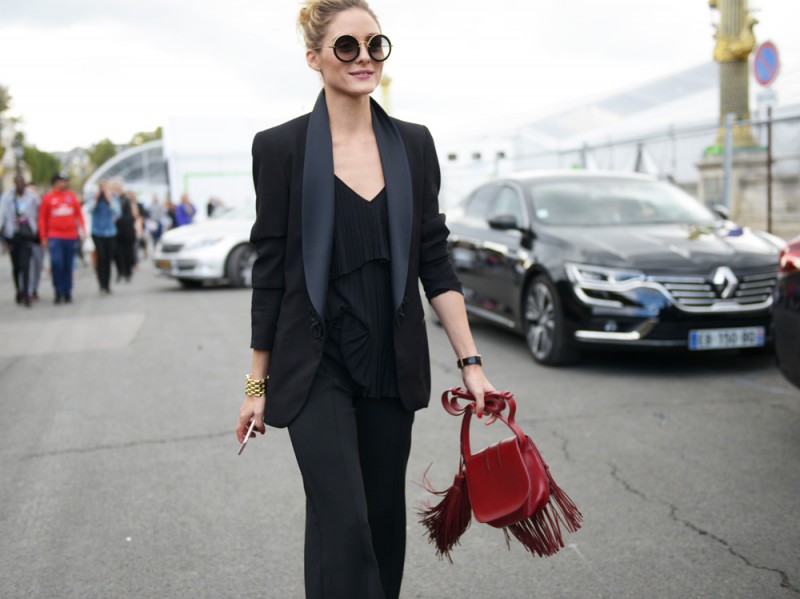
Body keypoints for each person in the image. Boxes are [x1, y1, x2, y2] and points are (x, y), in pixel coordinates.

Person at [235, 2, 494, 598]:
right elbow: (269, 274)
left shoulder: (413, 145)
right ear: (314, 57)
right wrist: (255, 387)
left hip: (388, 360)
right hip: (314, 365)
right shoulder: (280, 149)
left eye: (375, 45)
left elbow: (435, 259)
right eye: (346, 46)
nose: (363, 58)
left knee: (379, 525)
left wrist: (471, 364)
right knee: (344, 521)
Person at [39, 172, 85, 304]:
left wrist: (82, 229)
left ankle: (67, 291)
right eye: (62, 181)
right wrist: (43, 236)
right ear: (56, 182)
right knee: (57, 263)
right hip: (55, 236)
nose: (65, 183)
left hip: (70, 235)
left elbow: (78, 214)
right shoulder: (48, 198)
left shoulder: (71, 196)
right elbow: (42, 219)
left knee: (68, 264)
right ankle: (58, 291)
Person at [0, 175, 41, 306]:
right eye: (18, 183)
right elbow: (2, 215)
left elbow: (40, 211)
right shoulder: (7, 197)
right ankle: (19, 289)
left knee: (26, 264)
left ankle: (27, 293)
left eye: (22, 182)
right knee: (16, 265)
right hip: (12, 234)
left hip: (27, 234)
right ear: (14, 184)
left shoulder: (32, 196)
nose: (20, 185)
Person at [87, 180, 120, 294]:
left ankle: (107, 284)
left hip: (110, 232)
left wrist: (109, 199)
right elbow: (89, 210)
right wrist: (96, 199)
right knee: (101, 257)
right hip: (97, 232)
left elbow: (117, 212)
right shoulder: (93, 197)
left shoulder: (112, 198)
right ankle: (101, 283)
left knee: (108, 258)